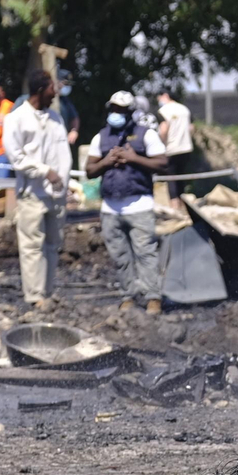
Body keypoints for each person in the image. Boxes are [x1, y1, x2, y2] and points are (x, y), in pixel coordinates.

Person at [84, 92, 167, 315]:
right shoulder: (100, 137)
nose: (116, 114)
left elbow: (162, 162)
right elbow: (89, 170)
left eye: (121, 110)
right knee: (119, 256)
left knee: (145, 253)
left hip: (139, 205)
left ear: (131, 112)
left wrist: (134, 159)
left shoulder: (145, 135)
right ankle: (128, 296)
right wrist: (107, 161)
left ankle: (153, 298)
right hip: (110, 208)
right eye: (113, 109)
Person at [3, 68, 73, 308]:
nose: (56, 93)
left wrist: (64, 181)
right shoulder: (17, 119)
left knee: (53, 245)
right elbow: (17, 158)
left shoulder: (55, 118)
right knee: (33, 246)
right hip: (32, 194)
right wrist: (45, 171)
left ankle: (47, 291)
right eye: (53, 88)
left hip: (56, 194)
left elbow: (64, 154)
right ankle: (35, 296)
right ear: (41, 90)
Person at [156, 90, 195, 202]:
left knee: (171, 178)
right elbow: (191, 128)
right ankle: (183, 204)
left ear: (165, 95)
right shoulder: (184, 109)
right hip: (186, 148)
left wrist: (161, 144)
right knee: (181, 177)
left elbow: (163, 129)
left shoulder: (163, 111)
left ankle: (175, 205)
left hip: (171, 149)